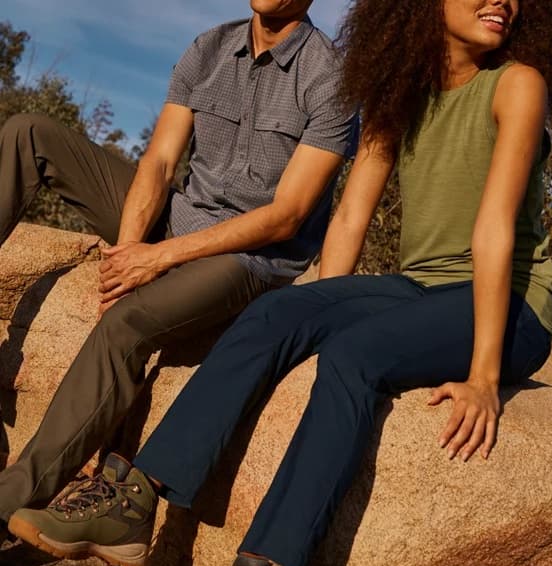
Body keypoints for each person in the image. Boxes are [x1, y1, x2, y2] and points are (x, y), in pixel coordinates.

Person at [7, 0, 552, 566]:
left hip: (511, 302)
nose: (502, 2)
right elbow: (351, 216)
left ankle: (270, 565)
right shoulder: (396, 95)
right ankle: (135, 501)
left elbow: (494, 230)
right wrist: (318, 308)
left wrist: (485, 379)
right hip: (421, 287)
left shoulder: (518, 85)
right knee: (278, 312)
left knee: (356, 355)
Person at [0, 0, 356, 538]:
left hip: (249, 260)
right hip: (178, 218)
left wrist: (158, 258)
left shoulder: (330, 78)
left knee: (128, 324)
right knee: (29, 132)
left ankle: (11, 499)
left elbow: (286, 218)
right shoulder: (209, 46)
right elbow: (161, 162)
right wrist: (128, 251)